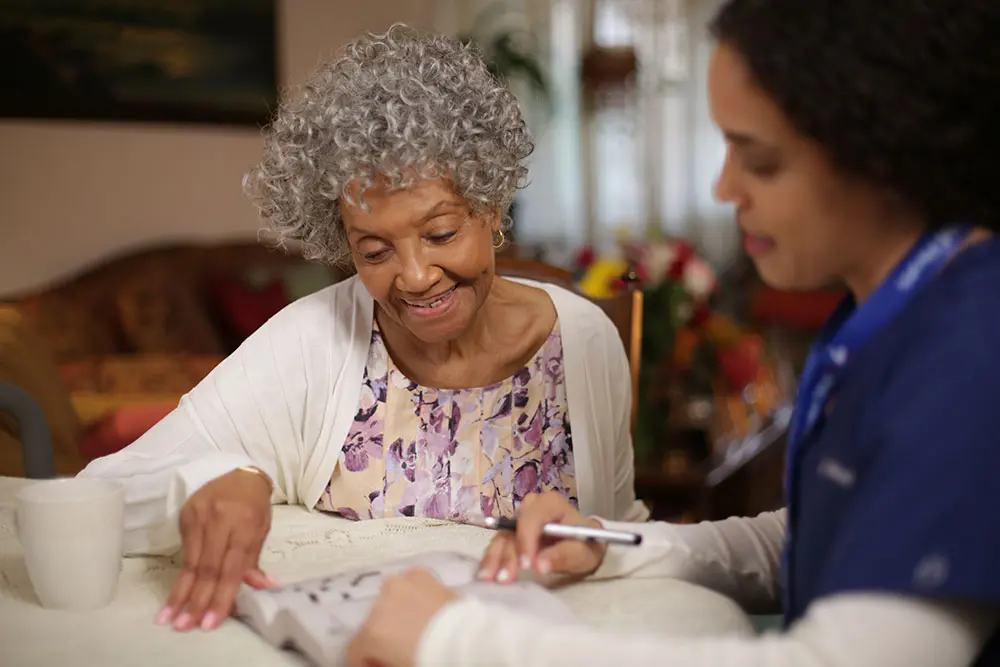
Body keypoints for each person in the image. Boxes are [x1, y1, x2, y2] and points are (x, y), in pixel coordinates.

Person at [345, 1, 1000, 666]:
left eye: (761, 160)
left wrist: (453, 639)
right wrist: (612, 546)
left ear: (885, 152)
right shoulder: (884, 312)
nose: (724, 187)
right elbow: (813, 541)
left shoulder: (970, 360)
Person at [77, 25, 648, 633]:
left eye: (441, 234)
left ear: (492, 205)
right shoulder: (313, 342)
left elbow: (621, 538)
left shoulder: (583, 341)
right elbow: (97, 497)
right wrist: (212, 478)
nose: (415, 276)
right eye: (375, 252)